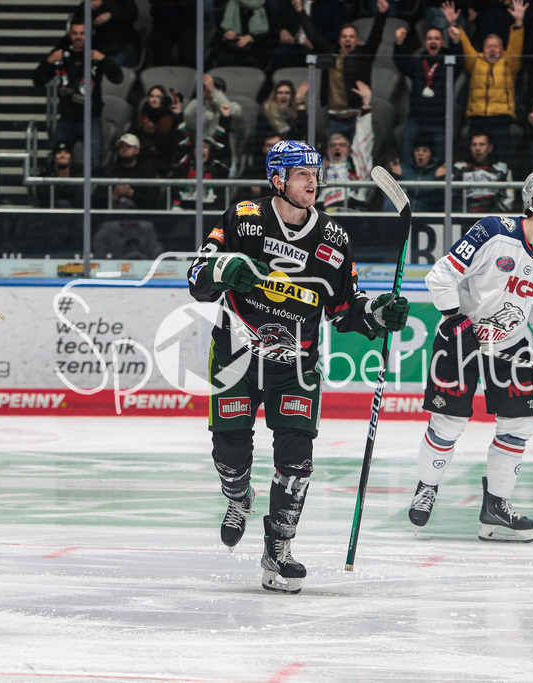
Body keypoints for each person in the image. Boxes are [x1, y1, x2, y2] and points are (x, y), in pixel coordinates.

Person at [186, 139, 409, 593]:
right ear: (278, 180)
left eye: (315, 172)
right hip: (235, 359)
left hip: (297, 368)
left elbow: (345, 307)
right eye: (302, 173)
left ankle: (278, 551)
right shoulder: (243, 219)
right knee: (230, 455)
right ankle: (237, 495)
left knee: (296, 464)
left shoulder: (334, 239)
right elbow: (197, 276)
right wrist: (223, 268)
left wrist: (376, 314)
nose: (314, 180)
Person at [408, 170, 533, 542]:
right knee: (448, 421)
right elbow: (440, 275)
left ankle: (496, 507)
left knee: (518, 425)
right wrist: (455, 319)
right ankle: (426, 488)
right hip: (461, 336)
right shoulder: (494, 230)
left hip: (511, 345)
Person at [442, 0, 525, 163]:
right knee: (476, 160)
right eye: (488, 47)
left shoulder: (509, 64)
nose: (492, 50)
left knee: (501, 160)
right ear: (482, 49)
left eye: (496, 47)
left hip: (501, 118)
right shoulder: (476, 62)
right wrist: (453, 24)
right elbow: (464, 44)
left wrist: (519, 23)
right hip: (477, 117)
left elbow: (516, 45)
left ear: (502, 50)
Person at [32, 19, 124, 164]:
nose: (78, 37)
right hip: (66, 117)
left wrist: (104, 59)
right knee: (57, 160)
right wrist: (48, 62)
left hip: (90, 118)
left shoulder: (95, 55)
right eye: (74, 33)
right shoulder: (61, 55)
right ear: (69, 35)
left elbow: (118, 78)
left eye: (82, 33)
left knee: (94, 161)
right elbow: (37, 80)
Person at [294, 0, 388, 141]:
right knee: (335, 159)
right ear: (339, 40)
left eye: (351, 37)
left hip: (357, 118)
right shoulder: (330, 53)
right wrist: (300, 11)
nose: (347, 40)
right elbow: (313, 35)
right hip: (335, 119)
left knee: (358, 160)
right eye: (344, 36)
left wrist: (382, 14)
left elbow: (376, 35)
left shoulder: (364, 55)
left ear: (357, 40)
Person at [392, 22, 460, 166]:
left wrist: (456, 42)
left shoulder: (448, 63)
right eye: (430, 38)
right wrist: (399, 43)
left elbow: (460, 62)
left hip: (440, 120)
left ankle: (440, 187)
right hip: (417, 118)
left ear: (442, 42)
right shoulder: (417, 62)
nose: (433, 41)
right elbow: (401, 63)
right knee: (406, 152)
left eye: (436, 38)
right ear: (425, 42)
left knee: (442, 158)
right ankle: (405, 184)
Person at [317, 81, 373, 210]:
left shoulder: (358, 164)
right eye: (333, 145)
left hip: (352, 214)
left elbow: (365, 140)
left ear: (349, 150)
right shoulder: (319, 168)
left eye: (342, 145)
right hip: (325, 215)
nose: (337, 147)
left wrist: (366, 104)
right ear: (327, 150)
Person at [448, 131, 514, 212]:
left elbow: (508, 198)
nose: (477, 148)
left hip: (493, 218)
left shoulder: (502, 169)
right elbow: (451, 196)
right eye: (474, 145)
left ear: (490, 148)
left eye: (482, 144)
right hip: (466, 217)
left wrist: (491, 215)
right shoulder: (459, 168)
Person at [99, 132, 161, 210]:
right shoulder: (110, 170)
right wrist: (113, 195)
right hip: (113, 219)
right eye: (121, 146)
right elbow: (95, 200)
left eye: (129, 147)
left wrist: (131, 193)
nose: (124, 149)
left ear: (137, 150)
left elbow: (154, 202)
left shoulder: (147, 171)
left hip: (141, 218)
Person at [71, 0, 141, 67]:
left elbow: (133, 14)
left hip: (124, 47)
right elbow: (77, 23)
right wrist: (87, 7)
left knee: (114, 64)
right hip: (102, 48)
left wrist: (111, 15)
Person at [133, 84, 183, 175]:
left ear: (163, 99)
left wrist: (153, 132)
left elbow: (171, 143)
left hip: (163, 159)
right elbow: (133, 136)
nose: (155, 99)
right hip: (141, 157)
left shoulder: (170, 118)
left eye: (158, 97)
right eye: (152, 96)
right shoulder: (141, 116)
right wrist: (143, 131)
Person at [386, 136, 444, 213]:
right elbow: (390, 196)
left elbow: (438, 202)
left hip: (426, 215)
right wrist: (397, 177)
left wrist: (439, 180)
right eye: (417, 150)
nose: (420, 153)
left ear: (431, 154)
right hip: (403, 216)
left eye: (425, 150)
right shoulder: (402, 169)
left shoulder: (438, 172)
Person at [33, 140, 86, 209]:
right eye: (59, 153)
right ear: (54, 157)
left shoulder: (78, 173)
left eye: (66, 153)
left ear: (71, 157)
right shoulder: (46, 172)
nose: (63, 156)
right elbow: (42, 195)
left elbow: (79, 197)